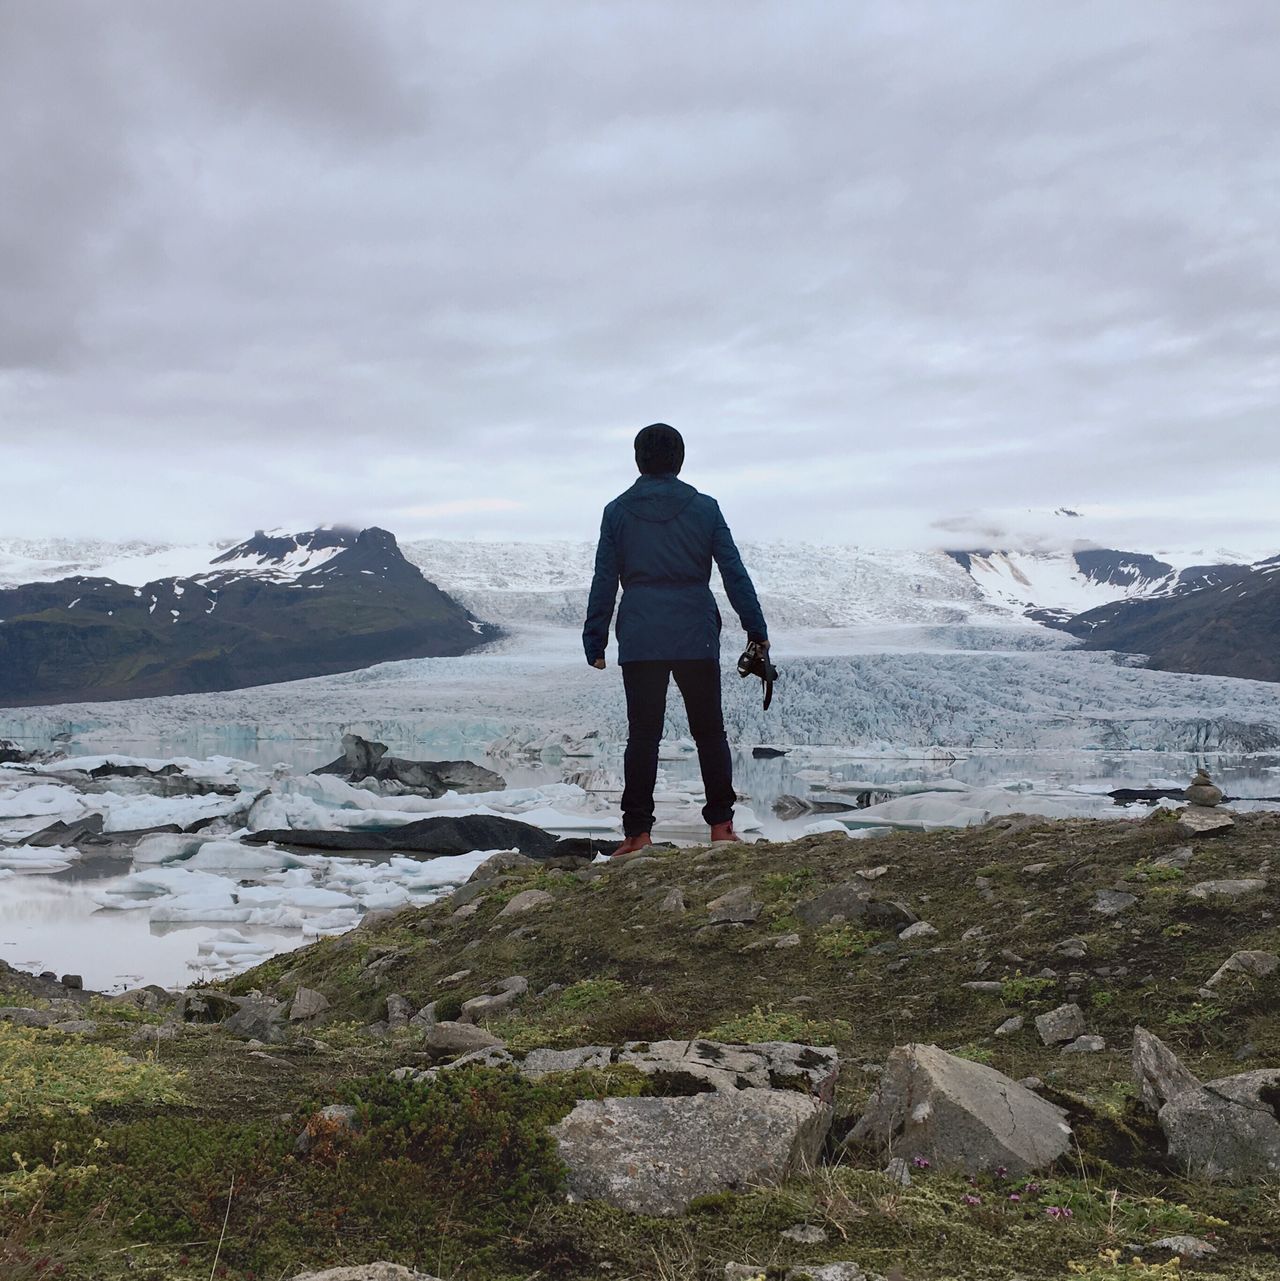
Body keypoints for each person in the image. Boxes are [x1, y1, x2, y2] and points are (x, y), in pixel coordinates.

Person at [582, 422, 770, 856]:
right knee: (710, 732)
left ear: (638, 459)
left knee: (643, 736)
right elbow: (733, 571)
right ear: (680, 459)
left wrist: (595, 640)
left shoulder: (617, 511)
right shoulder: (705, 508)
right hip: (695, 631)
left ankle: (636, 834)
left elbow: (604, 578)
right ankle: (722, 827)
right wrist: (756, 629)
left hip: (641, 631)